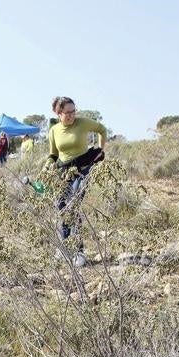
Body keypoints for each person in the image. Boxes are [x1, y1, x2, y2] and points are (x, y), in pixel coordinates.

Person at [46, 96, 107, 266]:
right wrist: (47, 166)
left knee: (73, 205)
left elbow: (102, 129)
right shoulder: (53, 131)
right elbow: (53, 155)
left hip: (83, 167)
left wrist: (101, 151)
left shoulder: (83, 123)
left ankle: (79, 252)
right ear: (58, 113)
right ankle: (64, 248)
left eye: (74, 111)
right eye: (68, 112)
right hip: (63, 170)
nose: (72, 115)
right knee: (61, 206)